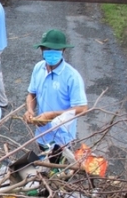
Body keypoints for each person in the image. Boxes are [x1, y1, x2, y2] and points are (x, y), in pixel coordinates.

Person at [23, 29, 88, 160]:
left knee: (58, 170)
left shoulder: (72, 76)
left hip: (62, 137)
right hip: (41, 133)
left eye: (56, 50)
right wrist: (29, 110)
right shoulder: (38, 68)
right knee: (43, 164)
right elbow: (31, 94)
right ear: (41, 50)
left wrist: (53, 115)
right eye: (47, 49)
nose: (51, 53)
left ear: (63, 51)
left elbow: (82, 108)